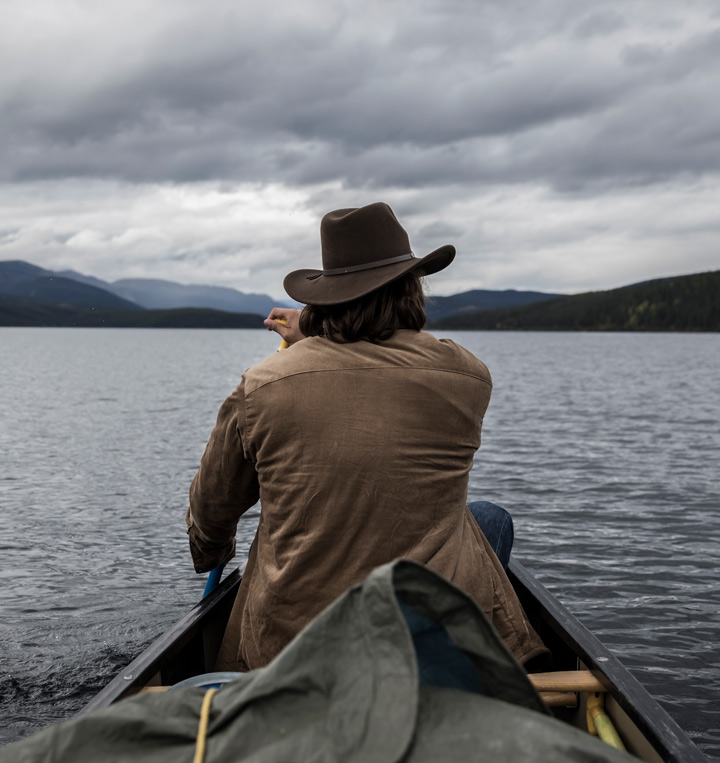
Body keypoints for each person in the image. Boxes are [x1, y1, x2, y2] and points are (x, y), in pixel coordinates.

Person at [186, 202, 547, 671]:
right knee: (488, 518)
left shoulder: (262, 386)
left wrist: (212, 551)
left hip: (292, 646)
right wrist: (321, 338)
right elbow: (383, 363)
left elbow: (212, 511)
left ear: (326, 296)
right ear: (411, 290)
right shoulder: (469, 377)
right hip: (429, 642)